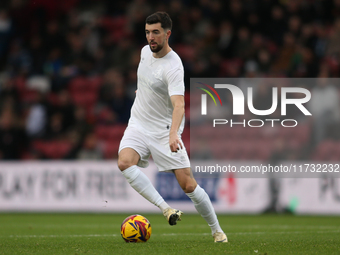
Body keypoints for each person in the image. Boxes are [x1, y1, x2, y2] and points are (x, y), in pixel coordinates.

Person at [117, 12, 227, 243]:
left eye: (156, 32)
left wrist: (173, 134)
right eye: (147, 32)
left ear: (168, 34)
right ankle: (166, 209)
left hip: (164, 129)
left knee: (188, 185)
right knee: (125, 162)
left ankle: (217, 230)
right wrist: (144, 93)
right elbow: (146, 80)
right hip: (138, 122)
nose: (151, 38)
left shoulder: (174, 66)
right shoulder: (145, 52)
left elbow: (179, 105)